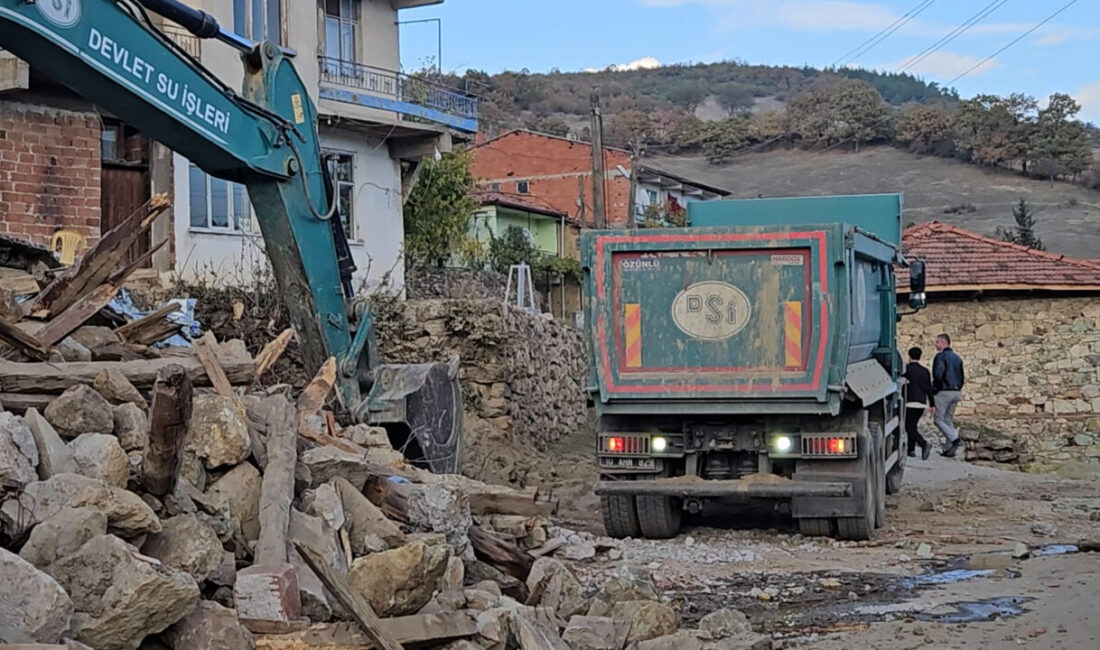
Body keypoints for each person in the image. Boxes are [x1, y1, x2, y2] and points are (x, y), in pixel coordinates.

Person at [932, 333, 965, 457]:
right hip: (956, 391)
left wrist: (935, 388)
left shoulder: (940, 356)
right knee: (948, 419)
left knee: (938, 420)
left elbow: (938, 374)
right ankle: (949, 449)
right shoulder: (957, 358)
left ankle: (954, 438)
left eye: (937, 342)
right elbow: (962, 377)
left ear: (942, 343)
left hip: (944, 391)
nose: (936, 345)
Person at [901, 347, 933, 460]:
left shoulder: (906, 370)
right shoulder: (925, 371)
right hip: (921, 403)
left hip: (909, 402)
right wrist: (932, 404)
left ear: (909, 356)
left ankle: (923, 443)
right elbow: (929, 389)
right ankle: (911, 450)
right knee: (913, 426)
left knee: (908, 427)